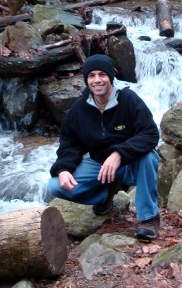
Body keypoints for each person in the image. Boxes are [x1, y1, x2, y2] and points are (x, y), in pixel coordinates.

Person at [47, 54, 161, 241]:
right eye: (92, 76)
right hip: (100, 166)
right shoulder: (78, 110)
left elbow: (150, 134)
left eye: (102, 74)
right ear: (86, 80)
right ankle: (104, 195)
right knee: (55, 186)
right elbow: (69, 144)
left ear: (110, 77)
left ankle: (149, 218)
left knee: (149, 157)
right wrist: (63, 169)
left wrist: (119, 153)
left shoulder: (129, 99)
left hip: (132, 163)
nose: (97, 80)